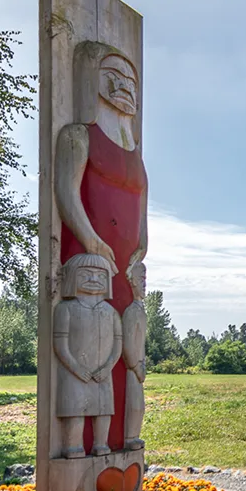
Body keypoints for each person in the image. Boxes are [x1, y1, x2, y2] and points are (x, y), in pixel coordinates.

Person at [55, 43, 148, 453]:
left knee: (131, 360)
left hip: (126, 269)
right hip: (89, 256)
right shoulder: (78, 135)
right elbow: (66, 193)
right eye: (113, 74)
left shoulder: (136, 155)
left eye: (131, 81)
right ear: (91, 76)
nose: (123, 86)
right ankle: (79, 453)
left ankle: (125, 443)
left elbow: (142, 211)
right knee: (84, 339)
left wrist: (141, 251)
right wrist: (93, 240)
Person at [54, 253, 122, 458]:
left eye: (100, 276)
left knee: (102, 410)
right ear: (72, 277)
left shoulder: (110, 312)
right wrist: (76, 369)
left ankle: (101, 444)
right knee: (75, 410)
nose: (93, 280)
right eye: (85, 275)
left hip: (102, 372)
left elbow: (117, 344)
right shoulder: (65, 309)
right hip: (74, 372)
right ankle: (72, 446)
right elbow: (60, 344)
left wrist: (108, 366)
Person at [122, 261, 147, 450]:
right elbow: (128, 342)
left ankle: (133, 435)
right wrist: (135, 365)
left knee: (140, 405)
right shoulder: (131, 312)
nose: (144, 284)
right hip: (133, 368)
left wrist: (143, 363)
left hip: (139, 367)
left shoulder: (140, 311)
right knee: (133, 403)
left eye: (145, 279)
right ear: (132, 282)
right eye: (141, 279)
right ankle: (130, 437)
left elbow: (140, 343)